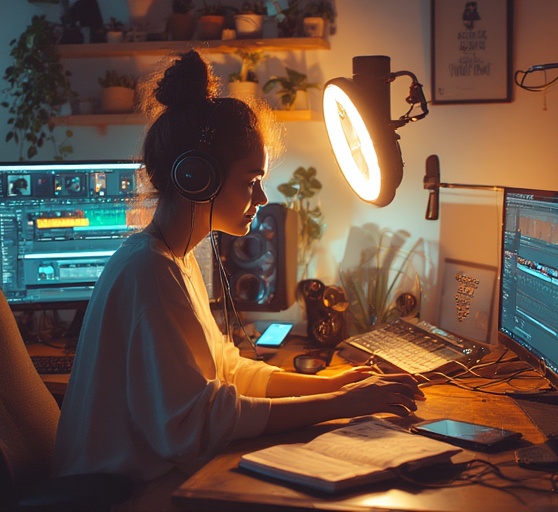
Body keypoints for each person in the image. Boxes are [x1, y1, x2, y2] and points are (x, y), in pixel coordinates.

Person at [53, 50, 423, 511]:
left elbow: (226, 372)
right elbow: (197, 424)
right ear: (198, 178)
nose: (262, 197)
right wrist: (346, 405)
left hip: (154, 476)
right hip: (127, 495)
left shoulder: (175, 256)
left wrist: (334, 385)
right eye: (252, 180)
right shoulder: (149, 273)